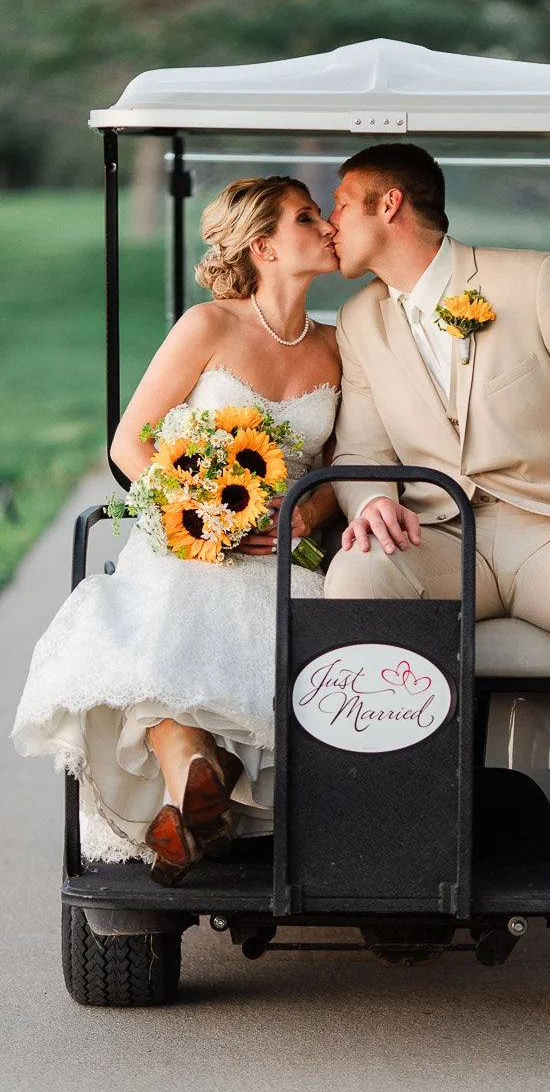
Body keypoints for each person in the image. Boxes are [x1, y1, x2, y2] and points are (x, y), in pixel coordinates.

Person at [324, 143, 550, 887]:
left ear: (390, 205)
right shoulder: (359, 318)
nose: (330, 221)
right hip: (443, 536)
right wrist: (371, 499)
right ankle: (383, 808)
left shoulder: (537, 280)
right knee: (355, 573)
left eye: (342, 203)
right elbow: (360, 443)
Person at [12, 176, 341, 885]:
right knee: (162, 629)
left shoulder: (340, 346)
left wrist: (305, 514)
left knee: (283, 643)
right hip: (190, 545)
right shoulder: (208, 325)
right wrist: (197, 517)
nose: (328, 225)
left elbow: (346, 470)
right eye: (309, 217)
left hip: (288, 553)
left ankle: (193, 788)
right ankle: (196, 776)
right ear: (264, 245)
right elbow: (131, 443)